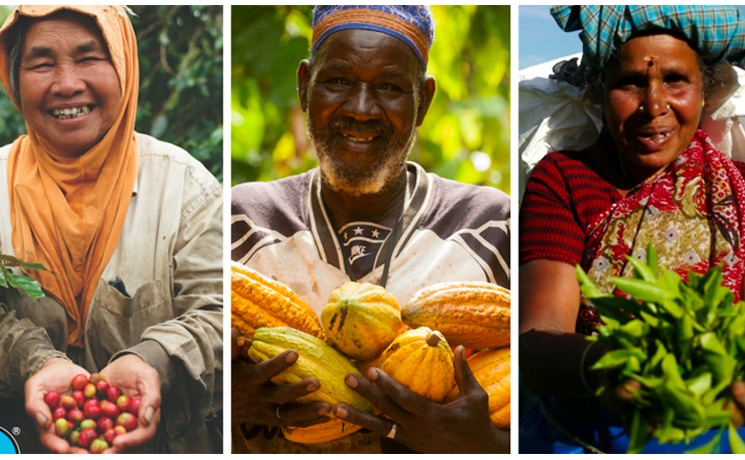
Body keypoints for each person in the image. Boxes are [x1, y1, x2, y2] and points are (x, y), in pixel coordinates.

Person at [231, 5, 510, 454]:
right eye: (338, 81)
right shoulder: (240, 221)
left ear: (423, 101)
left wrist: (487, 446)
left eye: (389, 87)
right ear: (305, 87)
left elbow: (545, 402)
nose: (361, 110)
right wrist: (222, 403)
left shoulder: (491, 226)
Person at [519, 5, 745, 454]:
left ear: (704, 94)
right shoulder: (564, 179)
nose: (654, 106)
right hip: (585, 435)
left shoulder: (737, 188)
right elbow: (538, 339)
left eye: (676, 81)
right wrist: (613, 365)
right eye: (631, 84)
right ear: (601, 93)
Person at [0, 5, 223, 454]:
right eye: (42, 63)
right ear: (13, 79)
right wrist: (32, 359)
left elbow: (222, 314)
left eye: (88, 58)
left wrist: (152, 359)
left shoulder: (185, 188)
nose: (66, 84)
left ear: (124, 64)